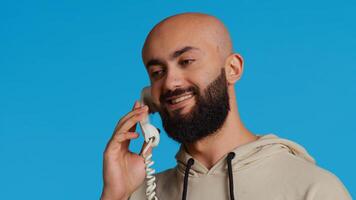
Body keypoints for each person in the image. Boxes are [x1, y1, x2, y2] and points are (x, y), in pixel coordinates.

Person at [100, 12, 352, 200]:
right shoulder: (140, 194)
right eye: (157, 72)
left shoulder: (313, 189)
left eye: (187, 61)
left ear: (232, 69)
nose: (170, 82)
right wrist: (115, 194)